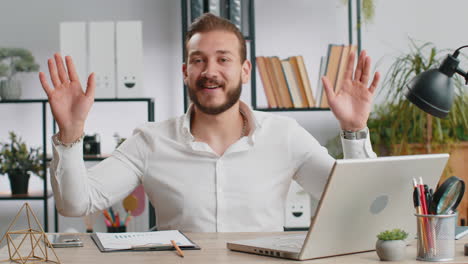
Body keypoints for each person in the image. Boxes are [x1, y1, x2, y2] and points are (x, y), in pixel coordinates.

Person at [39, 13, 380, 232]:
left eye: (223, 59)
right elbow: (75, 204)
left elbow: (358, 202)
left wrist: (354, 130)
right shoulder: (150, 141)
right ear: (185, 72)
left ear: (245, 71)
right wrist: (70, 135)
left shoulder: (286, 135)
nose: (210, 72)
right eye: (198, 60)